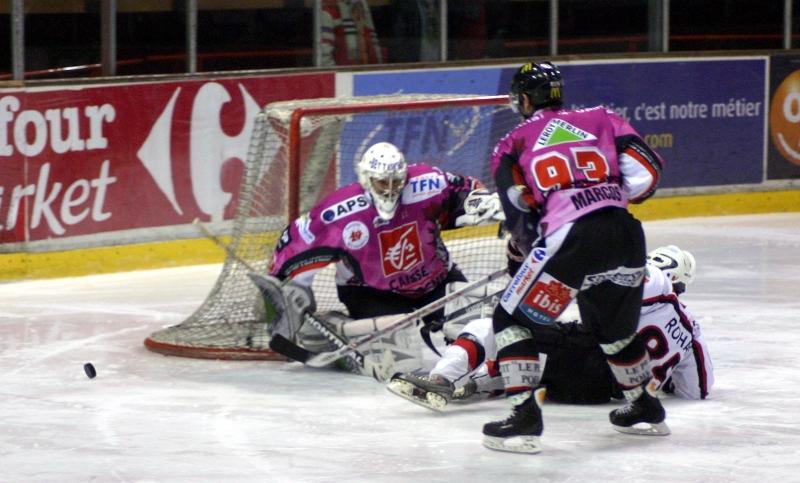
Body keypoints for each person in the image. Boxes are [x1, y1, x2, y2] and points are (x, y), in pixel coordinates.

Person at [476, 61, 665, 454]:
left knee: (510, 319)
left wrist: (530, 245)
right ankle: (643, 405)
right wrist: (605, 195)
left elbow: (518, 207)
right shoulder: (603, 119)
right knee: (612, 331)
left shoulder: (511, 143)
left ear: (524, 100)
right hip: (626, 234)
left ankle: (523, 416)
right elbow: (648, 173)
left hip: (571, 238)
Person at [253, 141, 503, 374]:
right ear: (367, 179)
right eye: (384, 183)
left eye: (398, 182)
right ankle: (332, 328)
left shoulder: (427, 183)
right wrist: (293, 289)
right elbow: (295, 243)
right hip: (372, 293)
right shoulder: (339, 213)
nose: (392, 190)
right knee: (399, 362)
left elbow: (462, 189)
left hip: (435, 281)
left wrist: (479, 202)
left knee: (482, 323)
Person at [387, 245, 714, 411]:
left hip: (592, 363)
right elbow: (697, 390)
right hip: (600, 393)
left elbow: (599, 273)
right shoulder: (691, 333)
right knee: (535, 358)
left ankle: (440, 379)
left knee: (492, 327)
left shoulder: (651, 278)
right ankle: (473, 386)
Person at [320, 0, 383, 66]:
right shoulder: (328, 11)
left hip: (369, 72)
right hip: (343, 73)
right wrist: (337, 74)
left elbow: (374, 48)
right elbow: (324, 56)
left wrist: (378, 70)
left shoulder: (362, 8)